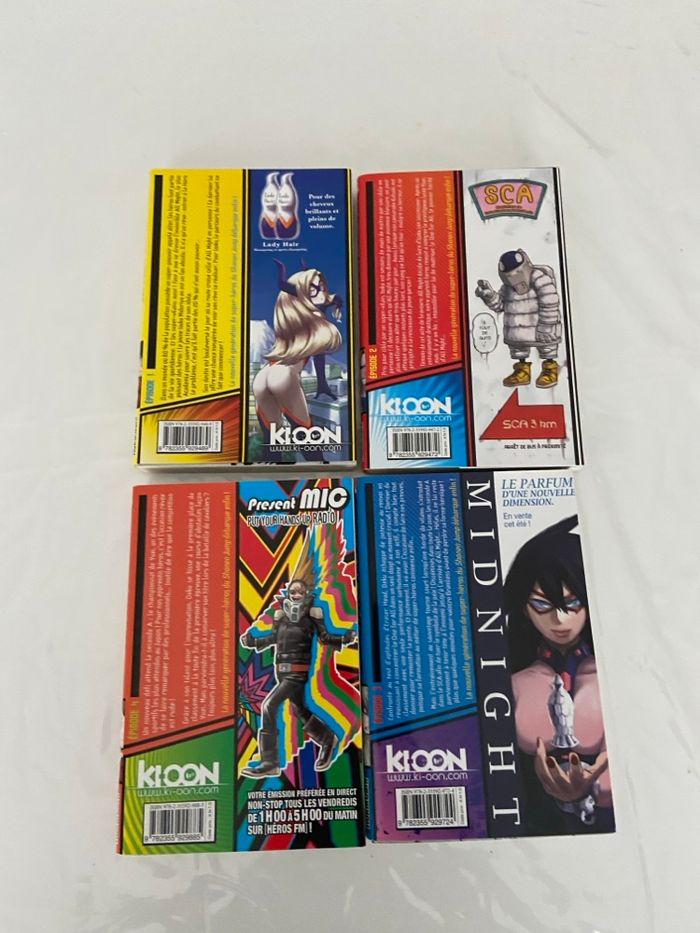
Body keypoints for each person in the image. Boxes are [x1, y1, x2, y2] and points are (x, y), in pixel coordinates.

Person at [504, 515, 614, 833]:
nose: (560, 620)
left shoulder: (611, 669)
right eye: (542, 604)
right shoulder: (514, 676)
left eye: (573, 602)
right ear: (523, 607)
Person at [240, 578, 356, 778]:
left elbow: (325, 638)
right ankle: (327, 739)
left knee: (268, 706)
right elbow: (273, 638)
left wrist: (345, 638)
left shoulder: (313, 614)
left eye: (299, 592)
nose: (295, 595)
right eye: (292, 592)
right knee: (300, 709)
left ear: (305, 593)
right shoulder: (281, 615)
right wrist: (253, 641)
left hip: (297, 672)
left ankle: (270, 762)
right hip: (282, 671)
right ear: (288, 594)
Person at [253, 260, 343, 461]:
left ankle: (270, 475)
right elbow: (319, 354)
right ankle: (322, 473)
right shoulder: (314, 324)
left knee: (272, 440)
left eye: (321, 287)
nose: (321, 293)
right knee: (305, 436)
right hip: (283, 375)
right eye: (313, 290)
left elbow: (330, 298)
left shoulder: (291, 323)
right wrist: (322, 383)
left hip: (263, 375)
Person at [475, 249, 561, 388]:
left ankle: (549, 369)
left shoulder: (539, 278)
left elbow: (550, 301)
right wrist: (489, 295)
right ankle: (522, 371)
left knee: (547, 348)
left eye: (516, 273)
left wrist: (546, 325)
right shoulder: (507, 287)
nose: (514, 278)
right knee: (519, 349)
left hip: (541, 326)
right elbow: (500, 306)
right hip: (517, 330)